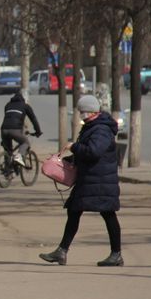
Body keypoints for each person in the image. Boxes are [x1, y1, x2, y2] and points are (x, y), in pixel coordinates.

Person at [40, 95, 123, 267]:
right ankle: (61, 251)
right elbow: (87, 153)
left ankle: (116, 255)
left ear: (91, 111)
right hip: (89, 179)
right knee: (73, 211)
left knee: (108, 214)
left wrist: (74, 146)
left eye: (83, 111)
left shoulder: (101, 129)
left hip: (100, 181)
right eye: (80, 111)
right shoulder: (91, 127)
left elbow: (93, 151)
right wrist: (69, 160)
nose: (81, 114)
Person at [0, 93, 42, 167]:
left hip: (3, 129)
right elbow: (33, 119)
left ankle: (7, 169)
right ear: (23, 100)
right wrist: (38, 131)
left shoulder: (8, 105)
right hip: (15, 130)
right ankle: (19, 156)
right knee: (25, 142)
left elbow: (9, 118)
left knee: (8, 149)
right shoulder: (25, 106)